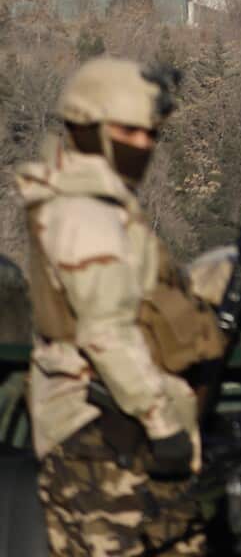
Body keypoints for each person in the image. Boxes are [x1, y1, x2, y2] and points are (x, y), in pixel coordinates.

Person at [15, 57, 225, 556]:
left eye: (150, 134)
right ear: (89, 129)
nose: (143, 145)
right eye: (128, 132)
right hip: (104, 429)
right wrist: (162, 423)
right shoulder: (85, 214)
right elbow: (105, 333)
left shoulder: (99, 206)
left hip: (113, 423)